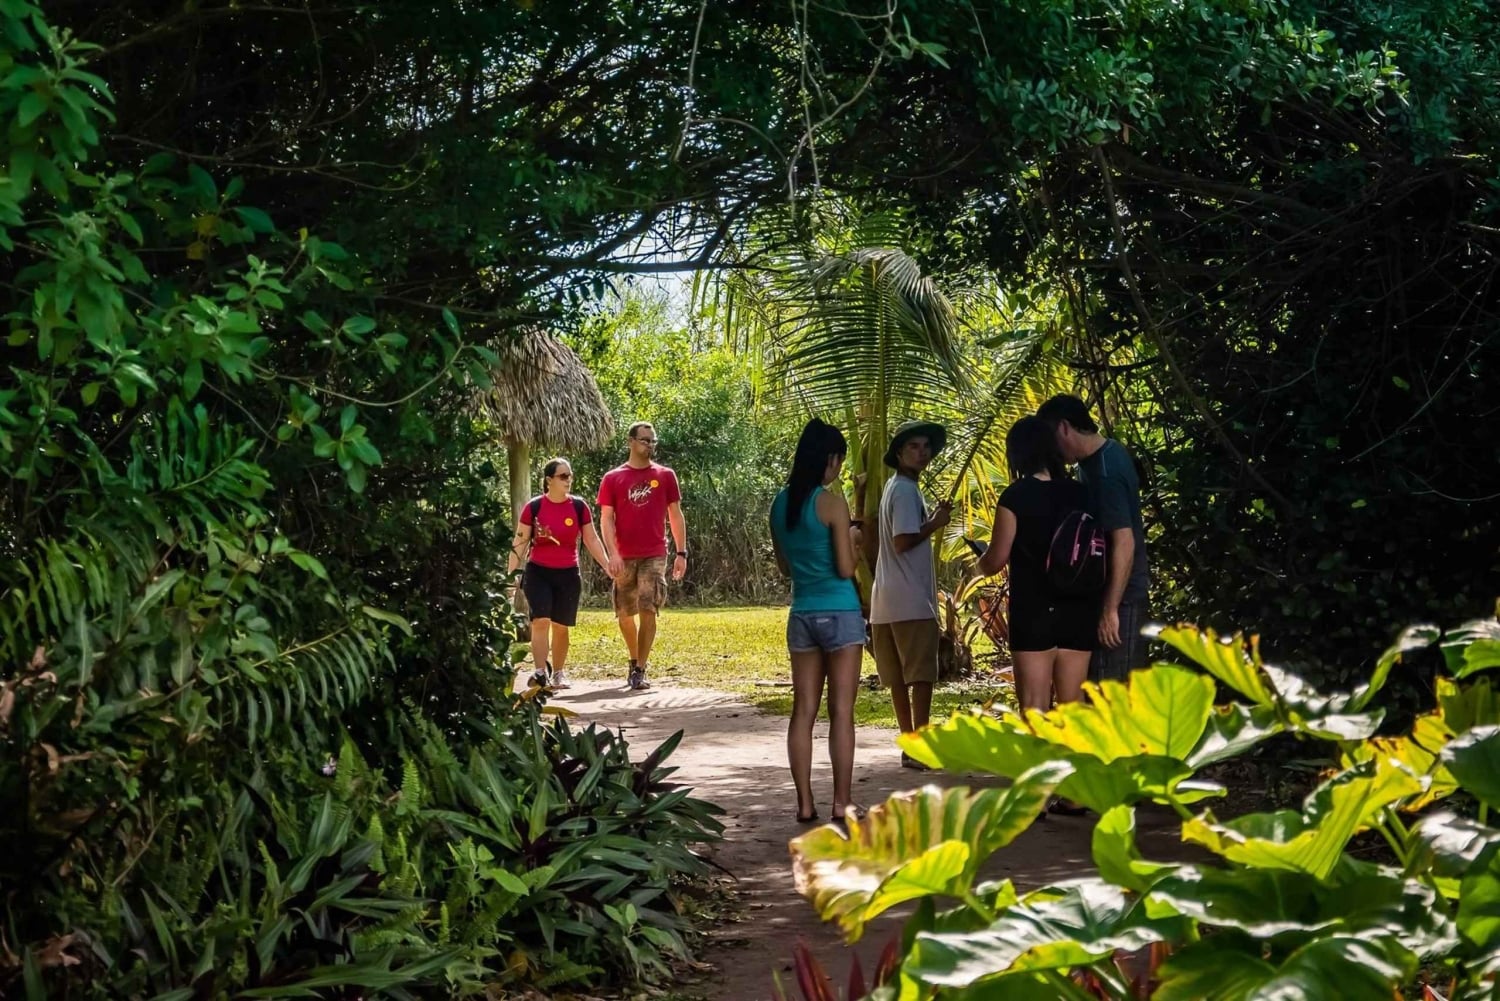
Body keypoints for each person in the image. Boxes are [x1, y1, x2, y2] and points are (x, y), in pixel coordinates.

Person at [769, 419, 864, 826]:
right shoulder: (832, 504)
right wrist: (855, 544)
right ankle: (842, 802)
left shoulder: (780, 504)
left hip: (803, 611)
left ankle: (805, 803)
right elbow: (845, 568)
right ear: (830, 459)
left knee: (803, 710)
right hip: (840, 612)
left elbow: (784, 567)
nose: (839, 469)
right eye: (839, 460)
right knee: (841, 711)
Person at [974, 416, 1095, 725]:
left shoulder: (1016, 496)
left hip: (1033, 610)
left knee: (1034, 708)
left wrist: (980, 561)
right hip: (1078, 607)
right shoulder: (1082, 493)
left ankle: (1039, 759)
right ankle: (1073, 759)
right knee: (1074, 710)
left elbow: (995, 560)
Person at [1036, 394, 1150, 682]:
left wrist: (1110, 610)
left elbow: (1124, 541)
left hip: (1123, 599)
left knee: (1113, 690)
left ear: (1064, 427)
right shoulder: (1091, 464)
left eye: (1051, 438)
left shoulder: (1107, 470)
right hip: (1104, 594)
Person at [869, 420, 951, 767]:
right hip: (911, 599)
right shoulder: (905, 490)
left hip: (885, 599)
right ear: (899, 453)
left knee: (899, 679)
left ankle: (910, 744)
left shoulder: (894, 487)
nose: (922, 453)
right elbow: (903, 540)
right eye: (914, 447)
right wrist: (936, 522)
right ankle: (919, 745)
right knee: (920, 676)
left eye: (926, 447)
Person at [508, 457, 612, 690]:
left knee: (560, 625)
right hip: (538, 572)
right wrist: (509, 574)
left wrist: (607, 565)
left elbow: (591, 539)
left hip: (568, 574)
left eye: (570, 475)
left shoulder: (579, 507)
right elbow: (520, 542)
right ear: (549, 480)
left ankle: (559, 673)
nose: (568, 480)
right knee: (541, 620)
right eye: (563, 476)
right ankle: (539, 672)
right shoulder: (534, 507)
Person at [597, 422, 687, 691]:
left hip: (654, 553)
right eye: (645, 440)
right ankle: (634, 658)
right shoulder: (613, 478)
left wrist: (681, 552)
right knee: (625, 614)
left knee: (648, 608)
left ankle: (640, 669)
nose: (649, 445)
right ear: (631, 441)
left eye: (652, 441)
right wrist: (612, 553)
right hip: (623, 556)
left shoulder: (665, 475)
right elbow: (606, 519)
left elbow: (675, 515)